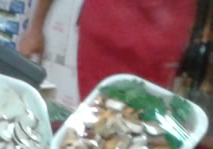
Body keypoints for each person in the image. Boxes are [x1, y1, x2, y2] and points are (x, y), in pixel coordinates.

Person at [18, 0, 197, 99]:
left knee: (148, 128)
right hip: (107, 29)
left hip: (163, 36)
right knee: (100, 123)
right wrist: (36, 27)